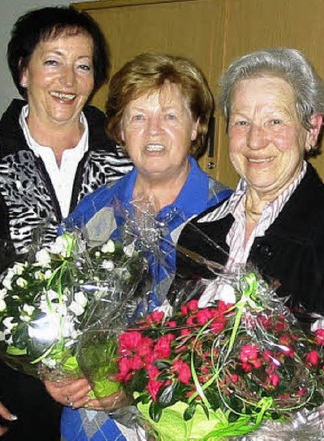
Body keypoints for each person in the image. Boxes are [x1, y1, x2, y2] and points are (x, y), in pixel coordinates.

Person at [172, 47, 324, 440]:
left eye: (275, 120)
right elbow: (177, 356)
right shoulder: (199, 233)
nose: (256, 140)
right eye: (241, 121)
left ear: (312, 128)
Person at [0, 6, 133, 441]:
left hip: (102, 389)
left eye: (83, 66)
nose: (68, 81)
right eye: (53, 61)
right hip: (12, 392)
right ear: (23, 71)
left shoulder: (123, 159)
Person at [51, 52, 232, 441]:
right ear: (119, 130)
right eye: (138, 116)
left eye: (170, 116)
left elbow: (231, 353)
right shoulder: (93, 213)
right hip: (89, 426)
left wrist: (130, 391)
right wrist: (55, 372)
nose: (153, 131)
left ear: (197, 126)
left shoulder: (227, 219)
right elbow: (55, 312)